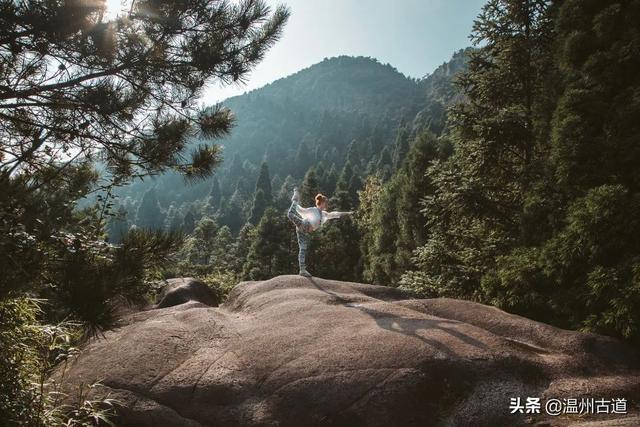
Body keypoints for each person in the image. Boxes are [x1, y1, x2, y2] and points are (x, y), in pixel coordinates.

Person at [287, 187, 352, 277]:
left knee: (303, 248)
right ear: (321, 202)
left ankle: (302, 270)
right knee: (290, 214)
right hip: (303, 224)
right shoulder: (313, 209)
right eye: (326, 202)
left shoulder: (324, 214)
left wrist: (348, 213)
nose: (327, 204)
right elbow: (302, 210)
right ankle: (295, 196)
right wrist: (295, 202)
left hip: (304, 231)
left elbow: (335, 214)